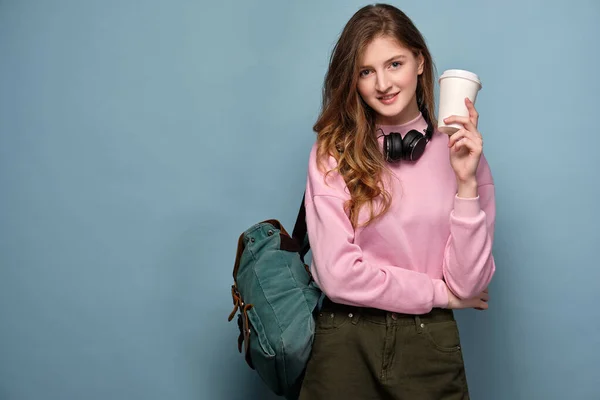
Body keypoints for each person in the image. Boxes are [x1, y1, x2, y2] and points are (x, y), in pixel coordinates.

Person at [299, 3, 495, 399]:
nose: (383, 83)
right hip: (345, 340)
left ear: (420, 62)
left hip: (429, 346)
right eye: (366, 71)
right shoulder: (332, 153)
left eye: (395, 64)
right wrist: (439, 294)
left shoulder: (462, 155)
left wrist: (466, 181)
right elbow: (338, 276)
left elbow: (470, 283)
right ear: (352, 80)